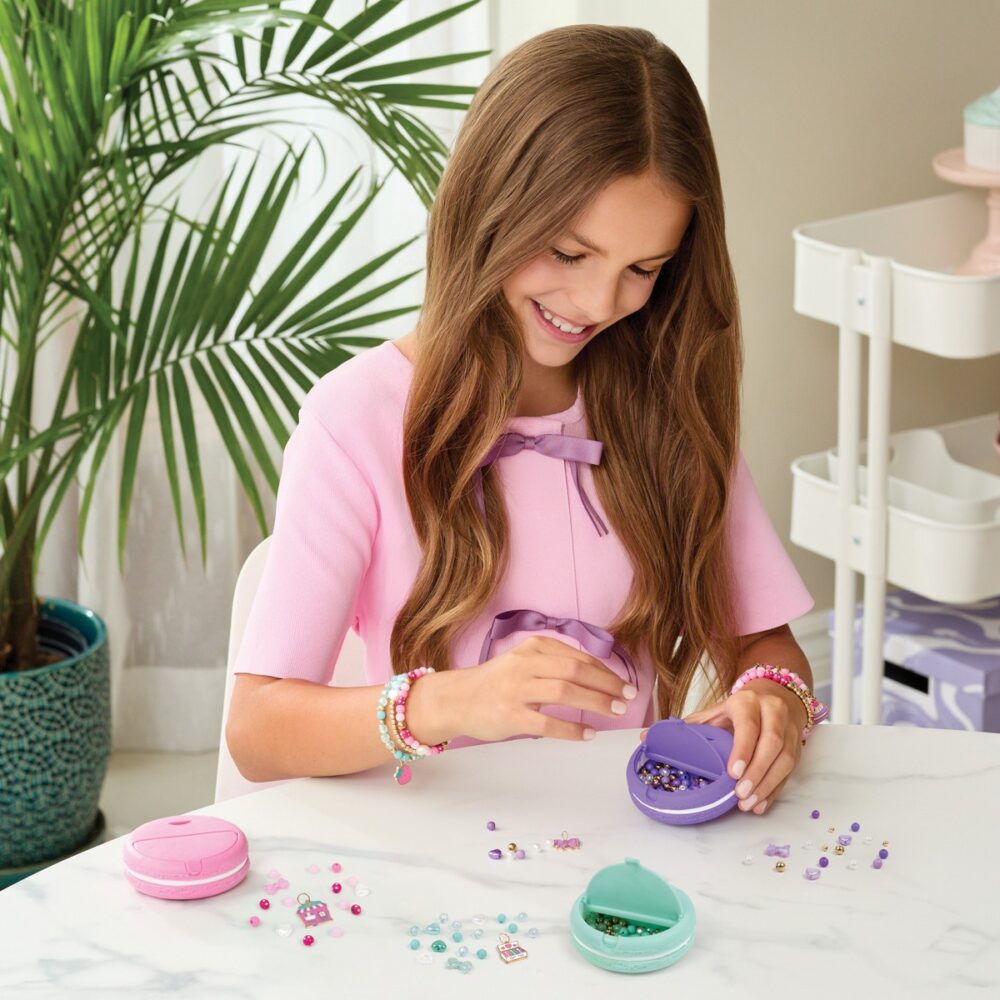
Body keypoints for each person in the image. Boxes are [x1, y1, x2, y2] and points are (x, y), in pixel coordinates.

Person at [226, 24, 824, 816]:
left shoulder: (667, 406)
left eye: (642, 268)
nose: (599, 302)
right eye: (570, 253)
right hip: (438, 850)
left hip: (624, 847)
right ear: (489, 204)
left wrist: (774, 697)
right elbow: (258, 730)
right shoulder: (356, 420)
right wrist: (450, 702)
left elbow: (762, 644)